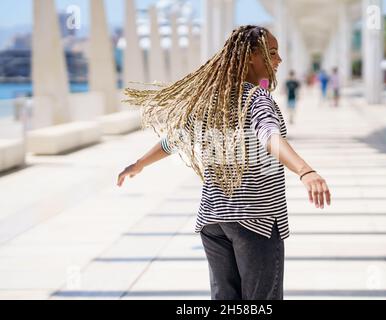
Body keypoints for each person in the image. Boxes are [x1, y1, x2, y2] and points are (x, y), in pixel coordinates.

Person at [117, 25, 331, 300]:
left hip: (213, 220)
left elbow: (174, 140)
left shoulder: (210, 102)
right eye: (272, 52)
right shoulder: (257, 99)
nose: (279, 60)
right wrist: (306, 170)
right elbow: (269, 136)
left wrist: (139, 163)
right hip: (255, 220)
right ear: (251, 56)